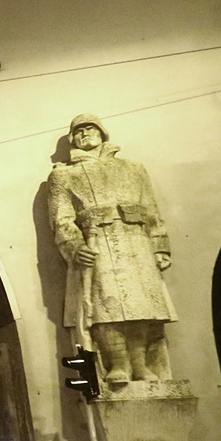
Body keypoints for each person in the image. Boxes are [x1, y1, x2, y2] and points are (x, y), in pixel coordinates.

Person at [46, 114, 176, 383]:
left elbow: (151, 209)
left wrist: (160, 246)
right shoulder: (63, 175)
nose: (84, 134)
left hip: (135, 241)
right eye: (78, 131)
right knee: (106, 307)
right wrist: (74, 246)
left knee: (141, 307)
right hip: (98, 244)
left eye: (89, 128)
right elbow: (61, 219)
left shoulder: (133, 168)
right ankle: (118, 365)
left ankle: (140, 366)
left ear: (102, 133)